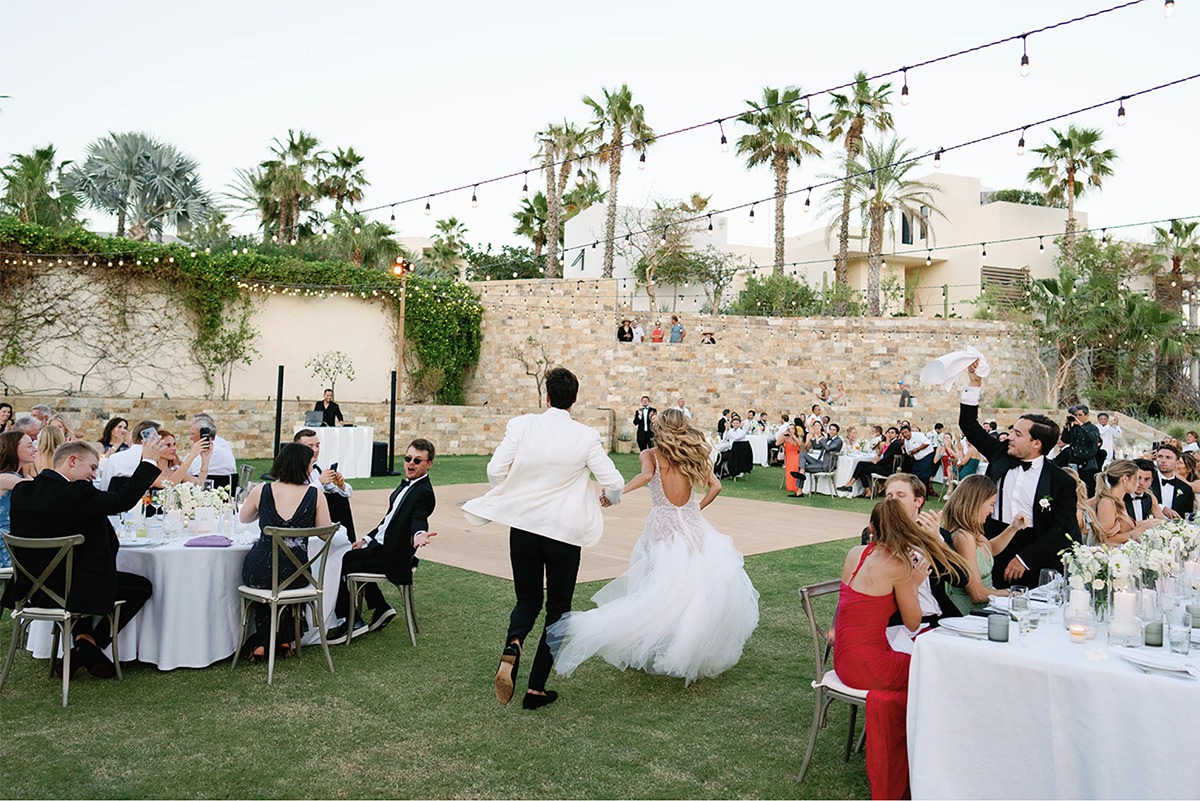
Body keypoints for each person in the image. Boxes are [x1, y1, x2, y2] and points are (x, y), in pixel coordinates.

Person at [547, 408, 758, 686]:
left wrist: (616, 493)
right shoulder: (693, 455)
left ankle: (655, 638)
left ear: (660, 429)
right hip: (692, 526)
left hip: (663, 527)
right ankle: (683, 643)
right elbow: (716, 486)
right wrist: (695, 509)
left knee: (659, 585)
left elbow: (647, 476)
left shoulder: (650, 455)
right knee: (692, 586)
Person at [463, 367, 624, 711]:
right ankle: (536, 689)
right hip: (564, 534)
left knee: (527, 599)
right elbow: (614, 482)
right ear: (574, 400)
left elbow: (495, 470)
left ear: (546, 396)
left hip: (524, 527)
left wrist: (515, 495)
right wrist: (610, 498)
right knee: (559, 608)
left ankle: (514, 644)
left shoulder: (522, 425)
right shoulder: (585, 436)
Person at [834, 499, 966, 801]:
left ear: (871, 528)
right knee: (936, 676)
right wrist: (914, 582)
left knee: (924, 674)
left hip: (844, 658)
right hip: (870, 664)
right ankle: (935, 763)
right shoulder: (900, 567)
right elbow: (912, 622)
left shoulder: (855, 553)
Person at [5, 438, 162, 678]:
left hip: (33, 591)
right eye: (92, 467)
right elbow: (122, 500)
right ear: (72, 461)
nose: (94, 475)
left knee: (93, 579)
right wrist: (148, 461)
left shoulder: (23, 491)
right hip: (71, 591)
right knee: (141, 587)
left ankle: (83, 641)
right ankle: (89, 644)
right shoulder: (75, 492)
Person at [960, 360, 1079, 589]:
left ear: (1036, 443)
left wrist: (1025, 559)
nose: (1009, 437)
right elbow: (969, 425)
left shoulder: (1061, 481)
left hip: (1035, 550)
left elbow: (1062, 529)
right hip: (993, 540)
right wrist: (974, 384)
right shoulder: (1000, 453)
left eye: (1017, 434)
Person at [327, 439, 437, 644]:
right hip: (379, 548)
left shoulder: (424, 493)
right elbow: (388, 520)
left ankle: (351, 619)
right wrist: (366, 539)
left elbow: (418, 518)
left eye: (417, 461)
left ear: (429, 464)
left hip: (392, 557)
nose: (410, 464)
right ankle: (380, 606)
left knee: (335, 563)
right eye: (408, 458)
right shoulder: (408, 486)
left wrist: (419, 534)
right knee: (351, 555)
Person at [238, 442, 333, 662]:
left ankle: (262, 643)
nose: (312, 469)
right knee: (284, 575)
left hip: (260, 571)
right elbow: (325, 534)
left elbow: (244, 518)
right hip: (298, 573)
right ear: (303, 467)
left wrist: (264, 511)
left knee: (267, 576)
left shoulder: (262, 490)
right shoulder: (315, 495)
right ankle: (284, 640)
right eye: (311, 465)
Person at [942, 475, 1025, 614]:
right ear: (976, 502)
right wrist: (1012, 593)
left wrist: (1013, 527)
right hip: (969, 612)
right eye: (991, 504)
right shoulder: (963, 537)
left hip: (986, 607)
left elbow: (989, 549)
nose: (991, 511)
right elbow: (977, 594)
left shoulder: (972, 531)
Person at [1093, 459, 1163, 545]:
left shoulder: (1119, 501)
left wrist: (1147, 523)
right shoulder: (1107, 503)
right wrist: (1141, 529)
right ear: (1125, 479)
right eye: (1137, 478)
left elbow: (1127, 527)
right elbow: (1105, 539)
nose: (1139, 484)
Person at [0, 431, 36, 569]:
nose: (35, 449)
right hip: (6, 544)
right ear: (13, 449)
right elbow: (42, 493)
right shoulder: (7, 478)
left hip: (14, 539)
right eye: (29, 446)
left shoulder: (19, 476)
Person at [837, 426, 902, 495]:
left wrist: (876, 463)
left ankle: (867, 491)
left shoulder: (895, 444)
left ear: (896, 435)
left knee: (861, 470)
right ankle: (850, 484)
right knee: (860, 464)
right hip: (884, 466)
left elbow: (887, 459)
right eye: (889, 433)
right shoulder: (894, 443)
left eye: (892, 433)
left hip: (886, 469)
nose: (890, 434)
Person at [1061, 404, 1101, 495]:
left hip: (1088, 464)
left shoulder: (1093, 428)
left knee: (1088, 490)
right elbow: (1065, 440)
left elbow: (1092, 438)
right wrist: (1066, 427)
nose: (1077, 417)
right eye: (1076, 415)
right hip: (1074, 462)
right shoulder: (1074, 428)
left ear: (1086, 415)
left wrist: (1081, 425)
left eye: (1080, 415)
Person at [187, 414, 236, 487]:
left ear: (203, 434)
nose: (190, 437)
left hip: (198, 489)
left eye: (193, 433)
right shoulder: (225, 446)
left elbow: (185, 473)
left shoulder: (197, 453)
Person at [1152, 443, 1195, 519]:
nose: (1163, 460)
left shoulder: (1186, 489)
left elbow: (1187, 516)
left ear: (1176, 462)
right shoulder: (1148, 482)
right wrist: (1162, 508)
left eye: (1168, 457)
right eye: (1160, 456)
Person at [777, 419, 805, 497]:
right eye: (790, 428)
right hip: (789, 457)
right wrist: (783, 434)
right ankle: (791, 486)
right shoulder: (785, 438)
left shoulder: (798, 437)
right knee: (789, 471)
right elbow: (777, 443)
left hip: (797, 456)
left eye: (793, 428)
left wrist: (793, 435)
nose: (791, 430)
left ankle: (797, 486)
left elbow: (799, 443)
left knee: (796, 469)